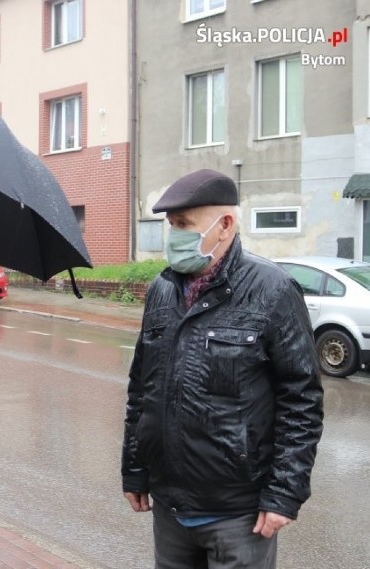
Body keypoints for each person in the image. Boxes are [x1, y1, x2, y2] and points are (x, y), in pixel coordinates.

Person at [121, 169, 324, 569]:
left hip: (239, 514)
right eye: (171, 225)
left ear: (225, 225)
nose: (174, 236)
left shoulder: (272, 290)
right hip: (170, 508)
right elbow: (141, 390)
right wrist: (134, 469)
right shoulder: (163, 290)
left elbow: (302, 401)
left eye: (184, 225)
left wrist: (284, 494)